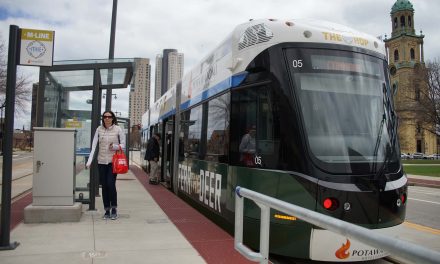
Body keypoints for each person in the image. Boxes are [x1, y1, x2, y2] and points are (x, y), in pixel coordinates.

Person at [86, 111, 125, 220]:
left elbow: (123, 144)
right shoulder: (99, 129)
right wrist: (89, 161)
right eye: (105, 117)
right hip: (101, 162)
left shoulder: (118, 129)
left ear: (113, 118)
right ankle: (107, 210)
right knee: (104, 187)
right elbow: (94, 146)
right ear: (103, 118)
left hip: (113, 163)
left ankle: (114, 209)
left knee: (111, 184)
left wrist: (115, 146)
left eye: (109, 117)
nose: (107, 118)